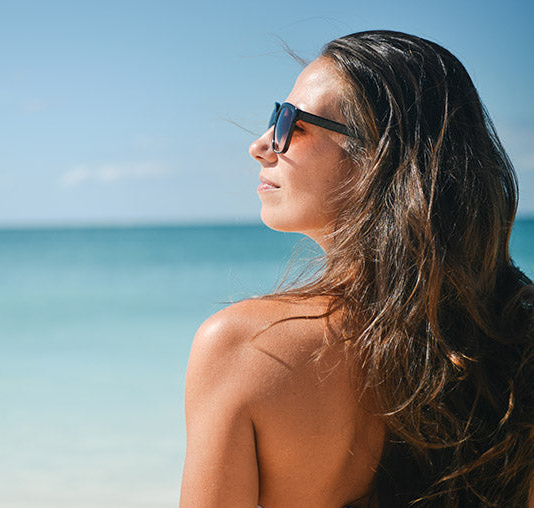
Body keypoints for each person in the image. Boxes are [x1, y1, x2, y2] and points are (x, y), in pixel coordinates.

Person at [179, 30, 534, 507]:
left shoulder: (244, 348)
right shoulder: (516, 338)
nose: (262, 145)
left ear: (376, 159)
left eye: (289, 122)